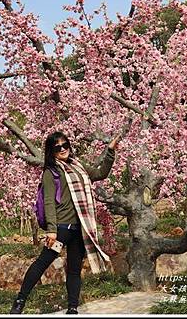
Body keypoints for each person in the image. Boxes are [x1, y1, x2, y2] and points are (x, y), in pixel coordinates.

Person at [10, 131, 121, 315]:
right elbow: (48, 202)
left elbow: (101, 173)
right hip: (61, 229)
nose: (62, 149)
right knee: (43, 262)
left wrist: (110, 151)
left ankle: (72, 308)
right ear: (51, 151)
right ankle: (20, 300)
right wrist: (52, 231)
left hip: (79, 229)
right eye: (57, 147)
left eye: (65, 145)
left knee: (75, 269)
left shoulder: (78, 166)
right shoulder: (51, 172)